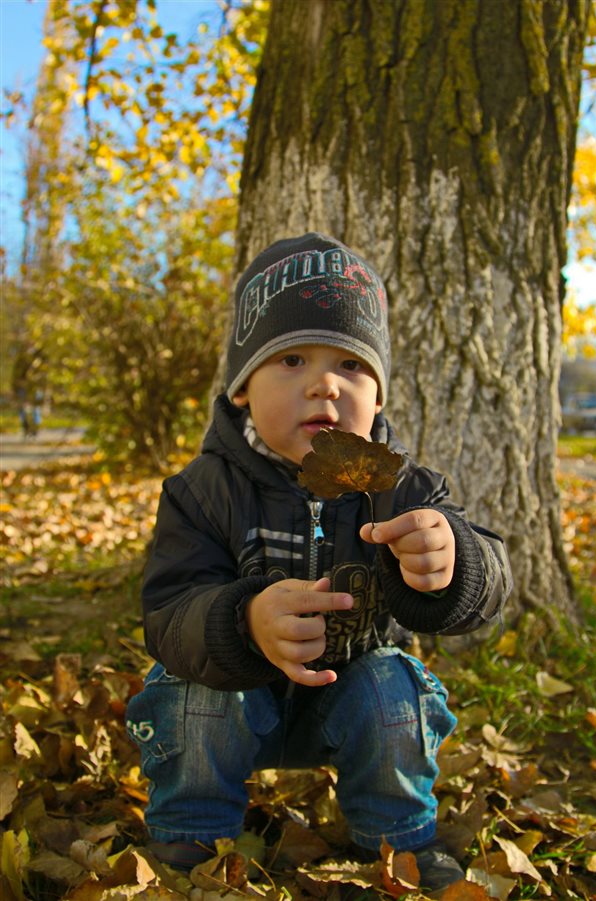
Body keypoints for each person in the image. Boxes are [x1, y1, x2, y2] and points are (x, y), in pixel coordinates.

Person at [126, 234, 512, 891]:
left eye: (352, 366)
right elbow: (168, 613)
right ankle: (189, 834)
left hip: (351, 692)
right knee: (187, 690)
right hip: (233, 689)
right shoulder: (201, 491)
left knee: (396, 689)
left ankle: (399, 835)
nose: (324, 384)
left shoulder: (404, 489)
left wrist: (455, 560)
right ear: (244, 386)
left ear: (380, 395)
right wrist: (242, 620)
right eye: (293, 359)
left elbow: (494, 579)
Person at [11, 342, 47, 438]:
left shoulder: (39, 358)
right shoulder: (21, 359)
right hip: (22, 387)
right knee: (23, 408)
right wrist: (15, 387)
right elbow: (16, 375)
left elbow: (43, 374)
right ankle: (26, 427)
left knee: (35, 408)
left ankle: (35, 428)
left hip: (35, 387)